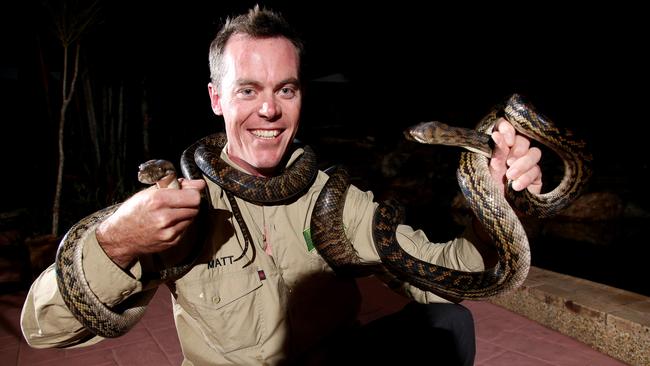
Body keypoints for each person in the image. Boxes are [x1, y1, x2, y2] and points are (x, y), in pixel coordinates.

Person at [21, 6, 542, 366]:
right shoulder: (177, 204)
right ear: (216, 98)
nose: (269, 110)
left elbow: (448, 276)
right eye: (247, 89)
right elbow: (44, 331)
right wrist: (118, 242)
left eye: (284, 89)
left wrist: (497, 204)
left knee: (449, 326)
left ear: (298, 95)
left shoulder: (334, 200)